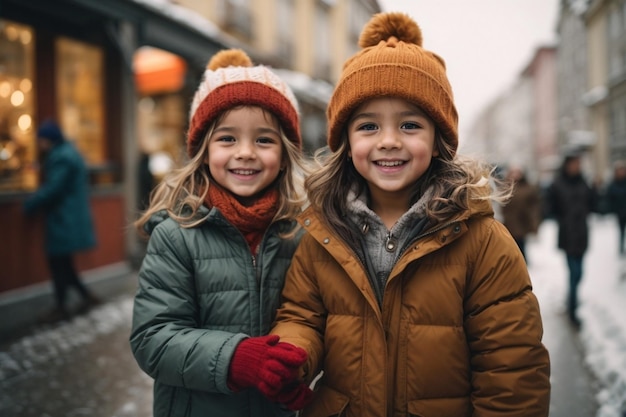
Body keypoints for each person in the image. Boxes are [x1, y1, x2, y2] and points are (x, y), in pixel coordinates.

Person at [270, 12, 551, 417]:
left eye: (409, 125)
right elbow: (303, 316)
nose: (388, 141)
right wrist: (293, 353)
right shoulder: (322, 233)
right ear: (346, 143)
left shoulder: (482, 242)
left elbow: (511, 368)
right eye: (368, 126)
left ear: (438, 141)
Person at [129, 49, 313, 417]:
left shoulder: (301, 233)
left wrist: (299, 369)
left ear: (285, 153)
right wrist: (235, 358)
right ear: (203, 150)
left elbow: (313, 319)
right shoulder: (176, 235)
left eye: (264, 140)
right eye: (227, 139)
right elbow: (153, 338)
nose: (245, 153)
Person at [23, 119, 100, 323]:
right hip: (68, 217)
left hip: (63, 217)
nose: (39, 145)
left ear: (49, 140)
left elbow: (54, 188)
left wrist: (31, 204)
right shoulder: (68, 153)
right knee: (63, 263)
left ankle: (61, 306)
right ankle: (85, 297)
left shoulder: (61, 157)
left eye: (41, 140)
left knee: (58, 262)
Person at [546, 152, 595, 328]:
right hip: (567, 234)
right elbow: (549, 206)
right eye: (573, 164)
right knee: (574, 273)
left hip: (582, 233)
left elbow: (593, 203)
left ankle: (571, 300)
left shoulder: (584, 183)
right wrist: (560, 217)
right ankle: (573, 310)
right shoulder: (558, 184)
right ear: (567, 165)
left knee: (579, 273)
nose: (576, 167)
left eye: (578, 164)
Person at [500, 165, 542, 262]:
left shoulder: (528, 188)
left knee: (520, 244)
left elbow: (533, 206)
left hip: (523, 221)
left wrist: (534, 223)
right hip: (509, 222)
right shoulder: (505, 187)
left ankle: (522, 262)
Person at [607, 160, 626, 255]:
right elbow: (610, 197)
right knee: (621, 231)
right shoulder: (613, 184)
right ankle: (621, 248)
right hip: (620, 212)